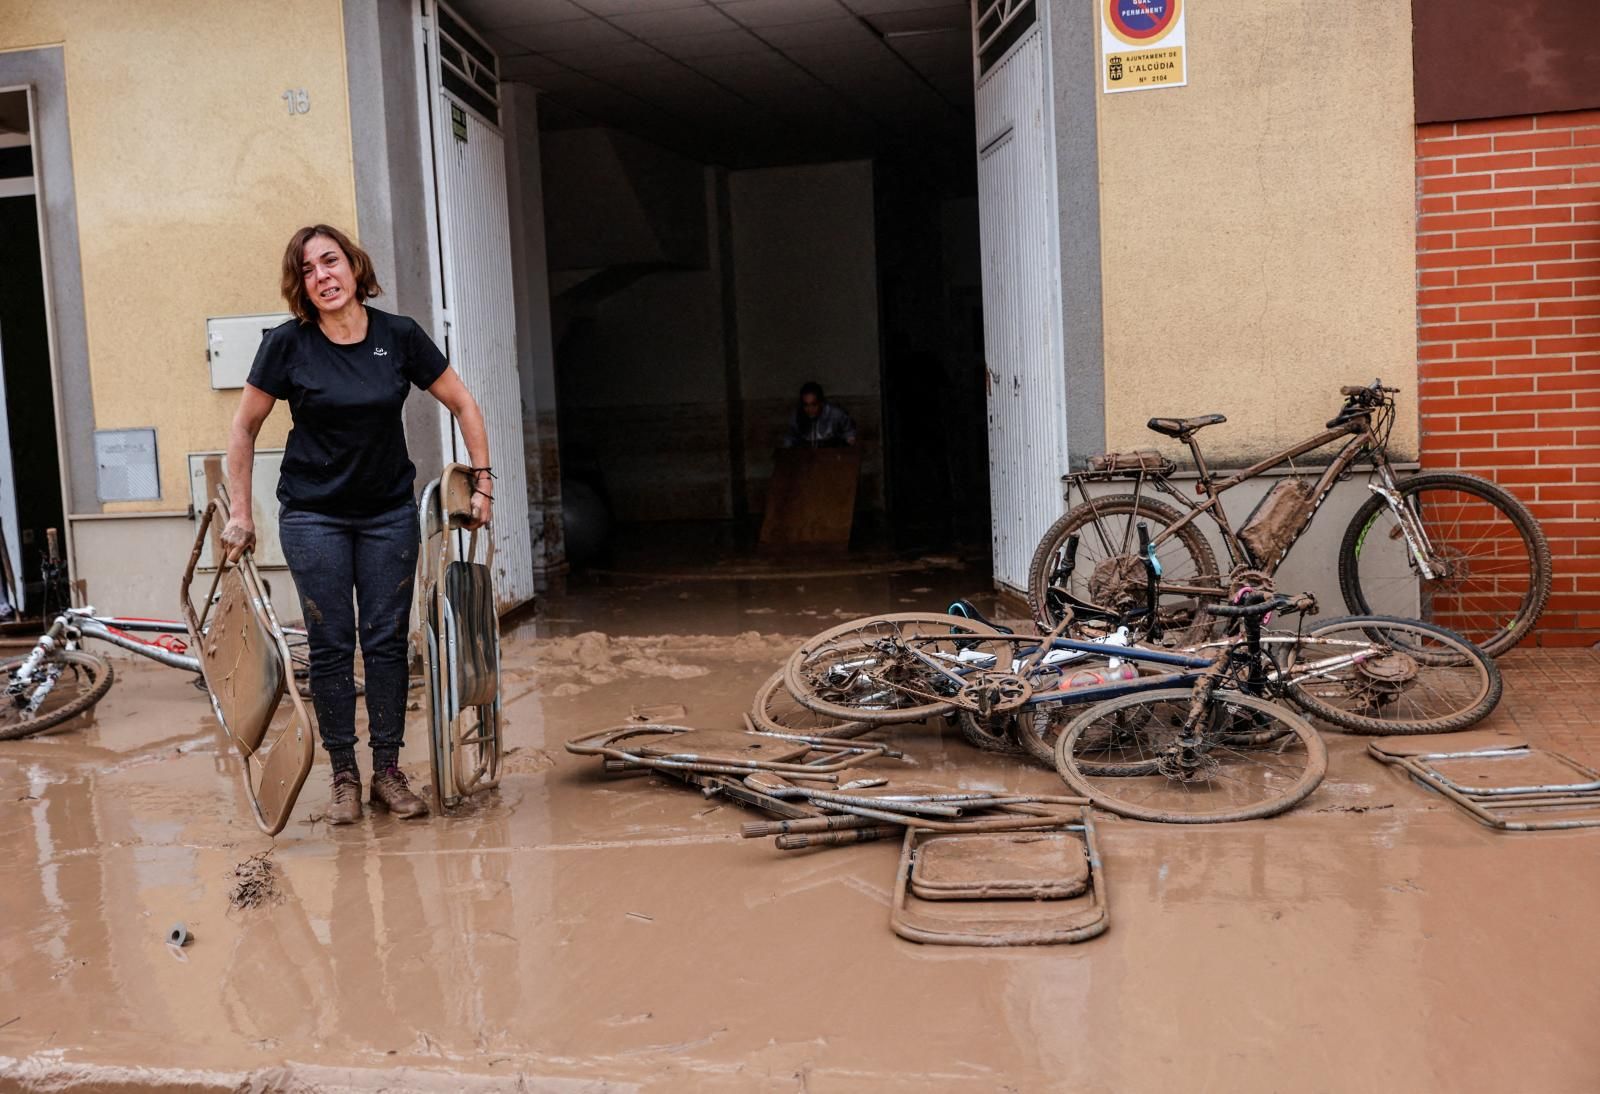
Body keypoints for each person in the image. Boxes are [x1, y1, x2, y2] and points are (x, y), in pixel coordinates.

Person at [220, 224, 493, 826]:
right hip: (313, 515)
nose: (323, 276)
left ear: (353, 266)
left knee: (387, 642)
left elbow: (464, 403)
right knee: (331, 643)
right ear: (302, 285)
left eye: (331, 261)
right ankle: (344, 774)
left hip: (387, 514)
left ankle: (388, 773)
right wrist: (242, 513)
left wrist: (483, 480)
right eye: (309, 269)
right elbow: (243, 429)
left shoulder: (399, 337)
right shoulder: (288, 345)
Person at [783, 381, 857, 448]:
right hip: (807, 457)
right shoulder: (796, 416)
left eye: (814, 404)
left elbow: (849, 433)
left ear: (821, 403)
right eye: (806, 405)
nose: (810, 409)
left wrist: (849, 443)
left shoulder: (835, 414)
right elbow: (790, 437)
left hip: (832, 455)